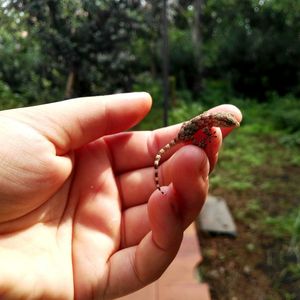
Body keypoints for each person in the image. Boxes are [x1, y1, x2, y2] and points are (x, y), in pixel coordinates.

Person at [0, 92, 241, 299]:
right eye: (227, 121)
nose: (228, 123)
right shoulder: (206, 124)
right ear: (220, 119)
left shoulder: (210, 123)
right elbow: (192, 132)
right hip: (186, 137)